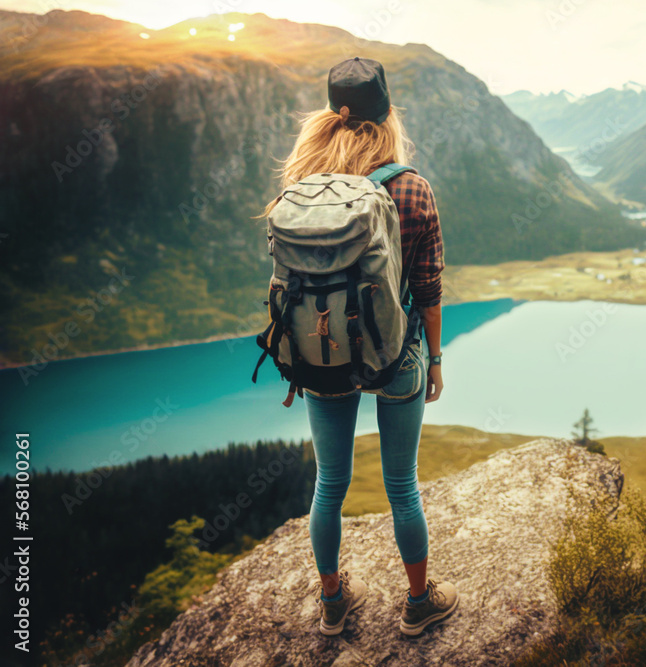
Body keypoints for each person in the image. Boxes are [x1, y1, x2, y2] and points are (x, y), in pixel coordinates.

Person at [262, 57, 457, 637]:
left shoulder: (299, 191)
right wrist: (437, 363)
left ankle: (332, 602)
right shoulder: (411, 187)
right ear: (388, 115)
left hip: (322, 355)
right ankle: (419, 604)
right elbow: (427, 286)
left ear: (328, 117)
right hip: (397, 357)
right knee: (402, 486)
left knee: (330, 482)